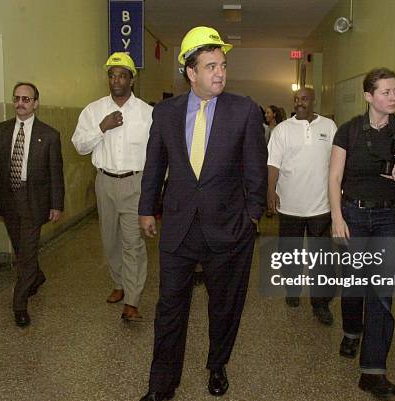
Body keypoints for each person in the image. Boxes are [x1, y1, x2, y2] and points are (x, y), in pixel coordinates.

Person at [137, 26, 267, 401]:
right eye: (211, 66)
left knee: (224, 306)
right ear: (190, 72)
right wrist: (147, 208)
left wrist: (252, 216)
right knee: (169, 310)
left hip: (228, 228)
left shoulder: (243, 110)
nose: (220, 73)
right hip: (179, 227)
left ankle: (217, 364)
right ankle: (161, 386)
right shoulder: (165, 113)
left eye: (223, 65)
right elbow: (154, 165)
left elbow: (256, 170)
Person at [328, 67, 395, 398]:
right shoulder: (349, 131)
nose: (393, 96)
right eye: (385, 92)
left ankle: (373, 371)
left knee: (381, 292)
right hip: (353, 212)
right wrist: (337, 217)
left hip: (388, 218)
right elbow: (334, 177)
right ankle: (352, 330)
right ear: (369, 96)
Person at [72, 52, 152, 321]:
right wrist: (101, 128)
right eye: (112, 75)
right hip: (104, 182)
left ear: (131, 80)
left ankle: (132, 299)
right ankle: (118, 283)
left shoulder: (147, 113)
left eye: (122, 75)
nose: (116, 79)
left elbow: (157, 154)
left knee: (132, 243)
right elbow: (79, 146)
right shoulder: (93, 111)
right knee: (110, 241)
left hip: (135, 183)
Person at [0, 82, 64, 327]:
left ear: (35, 103)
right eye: (16, 98)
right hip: (9, 199)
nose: (20, 103)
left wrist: (56, 204)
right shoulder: (1, 130)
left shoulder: (49, 135)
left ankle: (19, 305)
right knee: (20, 249)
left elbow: (55, 174)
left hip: (35, 200)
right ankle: (36, 277)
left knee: (26, 253)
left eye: (26, 99)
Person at [267, 87, 337, 323]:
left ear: (314, 101)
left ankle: (321, 304)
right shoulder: (282, 130)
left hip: (321, 206)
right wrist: (270, 193)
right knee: (290, 254)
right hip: (289, 205)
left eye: (304, 99)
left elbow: (337, 164)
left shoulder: (328, 127)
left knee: (322, 258)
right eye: (296, 99)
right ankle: (292, 290)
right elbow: (273, 165)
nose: (299, 103)